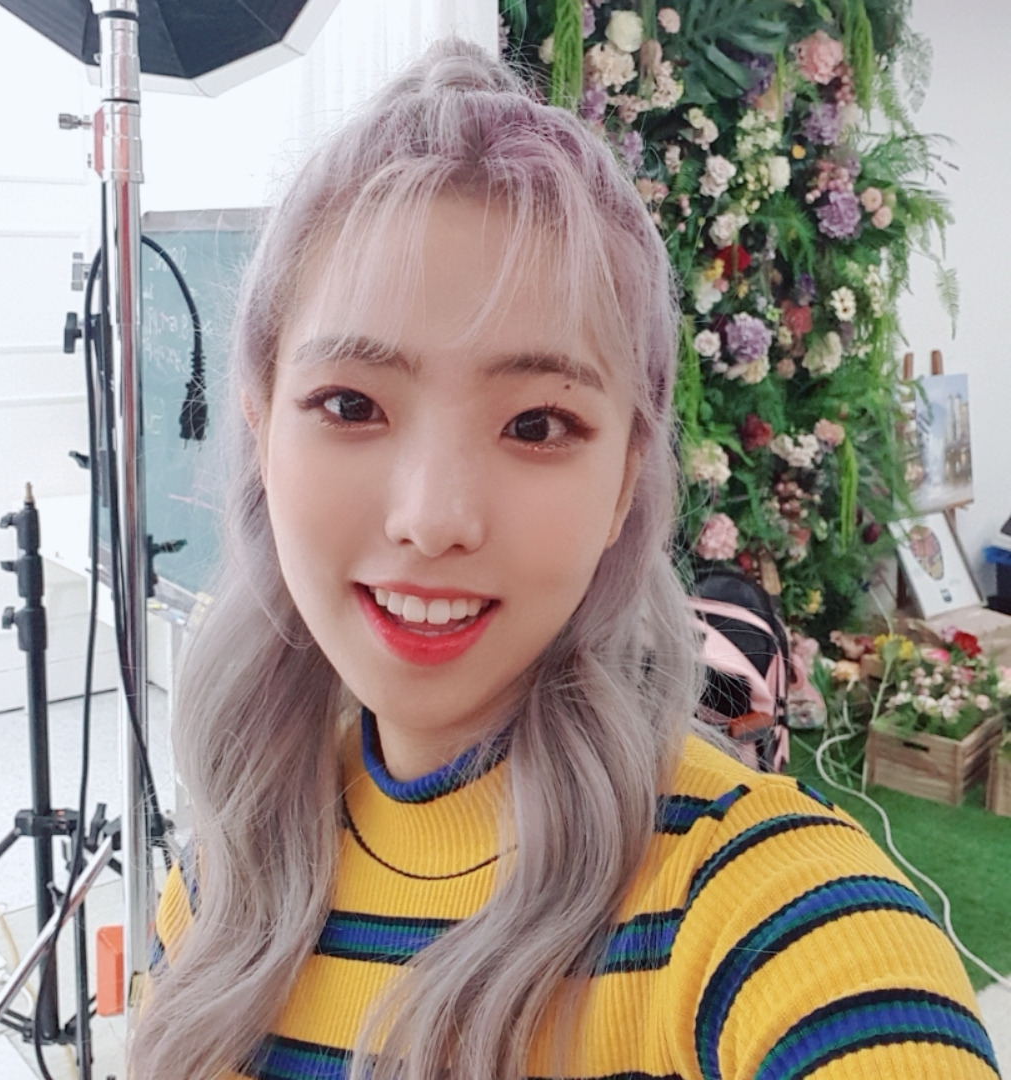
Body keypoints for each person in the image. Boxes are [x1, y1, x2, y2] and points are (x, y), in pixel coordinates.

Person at [130, 40, 999, 1080]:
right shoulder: (221, 888)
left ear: (626, 477)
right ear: (260, 427)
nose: (433, 520)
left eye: (537, 425)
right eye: (351, 404)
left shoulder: (758, 912)